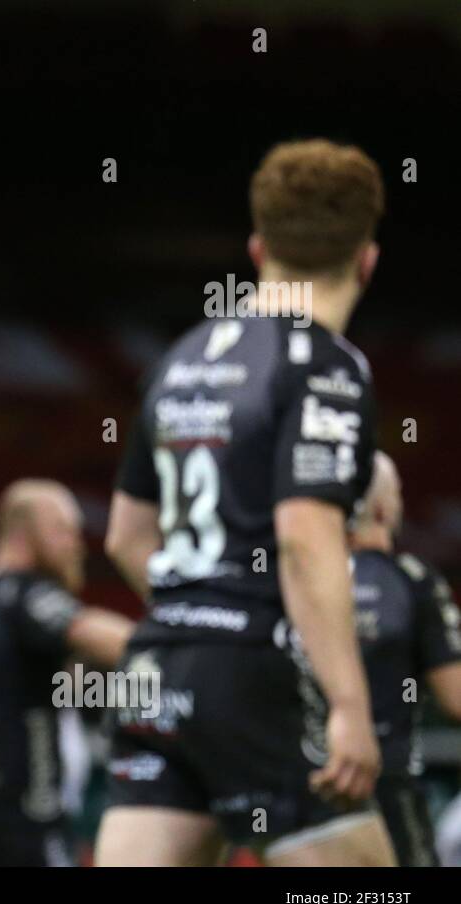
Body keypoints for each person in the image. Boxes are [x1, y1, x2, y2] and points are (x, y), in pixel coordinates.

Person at [98, 139, 394, 866]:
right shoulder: (328, 366)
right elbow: (304, 536)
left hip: (159, 670)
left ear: (259, 249)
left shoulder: (182, 359)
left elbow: (125, 537)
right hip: (258, 674)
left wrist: (198, 616)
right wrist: (351, 707)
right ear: (366, 259)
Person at [0, 480, 133, 866]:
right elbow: (92, 632)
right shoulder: (24, 594)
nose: (77, 543)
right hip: (21, 819)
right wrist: (176, 646)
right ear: (24, 531)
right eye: (63, 530)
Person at [349, 452, 461, 866]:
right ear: (382, 508)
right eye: (396, 495)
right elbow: (456, 699)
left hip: (290, 784)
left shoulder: (285, 577)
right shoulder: (412, 581)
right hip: (385, 783)